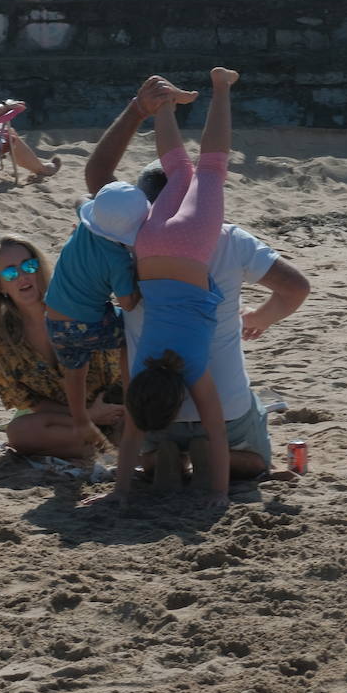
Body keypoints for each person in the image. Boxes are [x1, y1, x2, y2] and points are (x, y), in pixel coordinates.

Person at [86, 76, 310, 490]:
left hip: (157, 409)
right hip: (224, 406)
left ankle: (160, 461)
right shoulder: (227, 237)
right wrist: (259, 317)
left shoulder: (127, 234)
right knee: (205, 166)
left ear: (141, 203)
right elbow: (296, 288)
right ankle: (210, 91)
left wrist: (141, 109)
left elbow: (98, 175)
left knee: (199, 168)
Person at [108, 67, 243, 510]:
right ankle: (165, 101)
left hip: (189, 248)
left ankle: (221, 87)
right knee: (177, 171)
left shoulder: (193, 369)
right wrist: (120, 489)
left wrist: (219, 495)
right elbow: (130, 438)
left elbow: (217, 433)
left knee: (210, 168)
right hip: (150, 248)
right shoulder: (142, 366)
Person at [0, 235, 123, 458]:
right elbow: (34, 404)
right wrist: (87, 416)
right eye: (10, 272)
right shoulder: (4, 338)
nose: (23, 276)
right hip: (68, 420)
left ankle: (96, 449)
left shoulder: (73, 305)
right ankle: (100, 448)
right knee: (19, 431)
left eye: (29, 265)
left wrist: (102, 411)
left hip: (115, 405)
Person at [42, 181, 146, 452]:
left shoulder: (87, 225)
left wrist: (92, 202)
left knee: (74, 368)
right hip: (87, 323)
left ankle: (80, 419)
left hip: (54, 317)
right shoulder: (119, 261)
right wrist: (139, 279)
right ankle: (131, 396)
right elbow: (128, 302)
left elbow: (79, 199)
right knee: (126, 337)